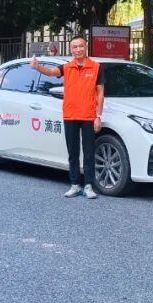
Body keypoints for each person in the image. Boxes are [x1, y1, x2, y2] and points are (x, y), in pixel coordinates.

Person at [31, 35, 105, 199]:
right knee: (73, 152)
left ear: (86, 47)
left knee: (89, 152)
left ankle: (89, 186)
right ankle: (75, 185)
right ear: (71, 49)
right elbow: (51, 72)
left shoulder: (96, 67)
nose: (78, 49)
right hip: (70, 115)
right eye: (74, 47)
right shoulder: (67, 67)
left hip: (89, 116)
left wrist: (98, 116)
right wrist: (38, 67)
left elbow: (100, 93)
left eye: (81, 46)